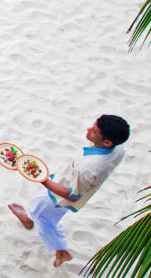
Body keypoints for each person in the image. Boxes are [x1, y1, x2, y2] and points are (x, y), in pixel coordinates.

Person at [7, 114, 130, 267]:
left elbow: (71, 196)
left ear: (107, 142)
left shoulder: (89, 169)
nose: (88, 130)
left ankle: (54, 243)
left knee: (41, 216)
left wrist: (43, 180)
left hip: (61, 195)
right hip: (72, 181)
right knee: (47, 215)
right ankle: (35, 223)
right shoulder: (118, 148)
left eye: (94, 131)